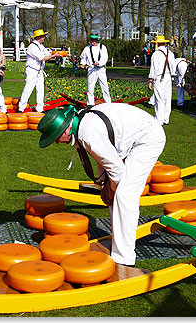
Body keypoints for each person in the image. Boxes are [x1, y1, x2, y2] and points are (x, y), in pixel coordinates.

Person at [37, 103, 166, 267]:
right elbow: (104, 157)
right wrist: (105, 184)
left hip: (147, 139)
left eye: (55, 137)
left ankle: (125, 258)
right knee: (115, 194)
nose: (56, 142)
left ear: (65, 131)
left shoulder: (88, 133)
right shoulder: (82, 123)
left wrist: (110, 189)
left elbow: (116, 170)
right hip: (128, 140)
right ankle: (118, 241)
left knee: (125, 193)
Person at [18, 29, 59, 113]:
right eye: (43, 36)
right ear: (39, 37)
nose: (44, 37)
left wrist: (54, 54)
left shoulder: (41, 46)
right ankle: (21, 108)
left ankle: (40, 109)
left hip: (40, 71)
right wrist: (53, 56)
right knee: (28, 89)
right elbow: (42, 58)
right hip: (32, 70)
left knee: (40, 90)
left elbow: (47, 54)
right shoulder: (32, 47)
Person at [145, 35, 176, 125]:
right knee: (167, 98)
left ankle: (159, 119)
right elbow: (173, 67)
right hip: (168, 77)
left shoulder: (156, 54)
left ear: (157, 44)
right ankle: (166, 118)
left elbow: (153, 69)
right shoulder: (170, 53)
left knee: (159, 98)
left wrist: (150, 80)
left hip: (159, 77)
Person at [79, 34, 111, 107]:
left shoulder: (103, 48)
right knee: (90, 87)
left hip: (101, 69)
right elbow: (83, 58)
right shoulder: (87, 48)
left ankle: (108, 103)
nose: (92, 41)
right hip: (91, 69)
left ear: (97, 40)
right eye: (91, 40)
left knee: (104, 86)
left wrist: (98, 63)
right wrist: (82, 64)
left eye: (94, 40)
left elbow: (104, 58)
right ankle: (90, 104)